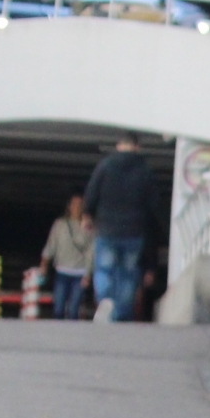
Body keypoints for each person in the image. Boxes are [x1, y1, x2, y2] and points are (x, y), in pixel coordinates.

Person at [82, 133, 157, 322]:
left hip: (107, 229)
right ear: (138, 147)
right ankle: (122, 314)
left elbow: (91, 194)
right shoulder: (145, 171)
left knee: (105, 269)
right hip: (134, 232)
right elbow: (153, 205)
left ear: (118, 145)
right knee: (128, 274)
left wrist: (87, 215)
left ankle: (106, 299)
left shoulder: (105, 166)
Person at [37, 194, 93, 320]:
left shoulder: (88, 226)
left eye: (80, 205)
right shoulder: (59, 225)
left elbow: (91, 250)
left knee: (73, 311)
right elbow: (51, 246)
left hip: (80, 273)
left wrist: (88, 273)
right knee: (58, 309)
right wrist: (44, 264)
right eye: (74, 204)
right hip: (62, 271)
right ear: (69, 207)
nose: (77, 208)